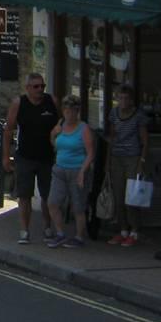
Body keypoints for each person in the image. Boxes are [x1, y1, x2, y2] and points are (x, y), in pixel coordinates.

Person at [3, 72, 61, 244]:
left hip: (47, 157)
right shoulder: (19, 103)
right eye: (36, 86)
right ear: (28, 88)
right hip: (25, 157)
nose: (40, 90)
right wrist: (6, 157)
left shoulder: (52, 102)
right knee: (24, 196)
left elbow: (62, 124)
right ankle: (24, 230)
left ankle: (47, 227)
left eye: (42, 86)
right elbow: (8, 131)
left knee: (48, 196)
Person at [47, 94, 96, 249]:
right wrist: (53, 134)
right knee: (53, 202)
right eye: (66, 110)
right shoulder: (60, 124)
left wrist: (83, 172)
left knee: (78, 206)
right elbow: (54, 143)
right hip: (60, 169)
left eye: (72, 110)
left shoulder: (84, 128)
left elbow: (90, 153)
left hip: (77, 169)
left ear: (77, 111)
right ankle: (60, 234)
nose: (69, 113)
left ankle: (79, 237)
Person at [104, 83, 150, 246]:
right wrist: (108, 161)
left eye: (126, 98)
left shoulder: (138, 116)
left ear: (131, 100)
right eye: (120, 98)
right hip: (117, 157)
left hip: (133, 157)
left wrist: (141, 161)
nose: (122, 101)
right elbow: (112, 137)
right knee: (118, 195)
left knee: (131, 196)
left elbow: (145, 140)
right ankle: (122, 229)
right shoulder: (114, 114)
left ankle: (134, 231)